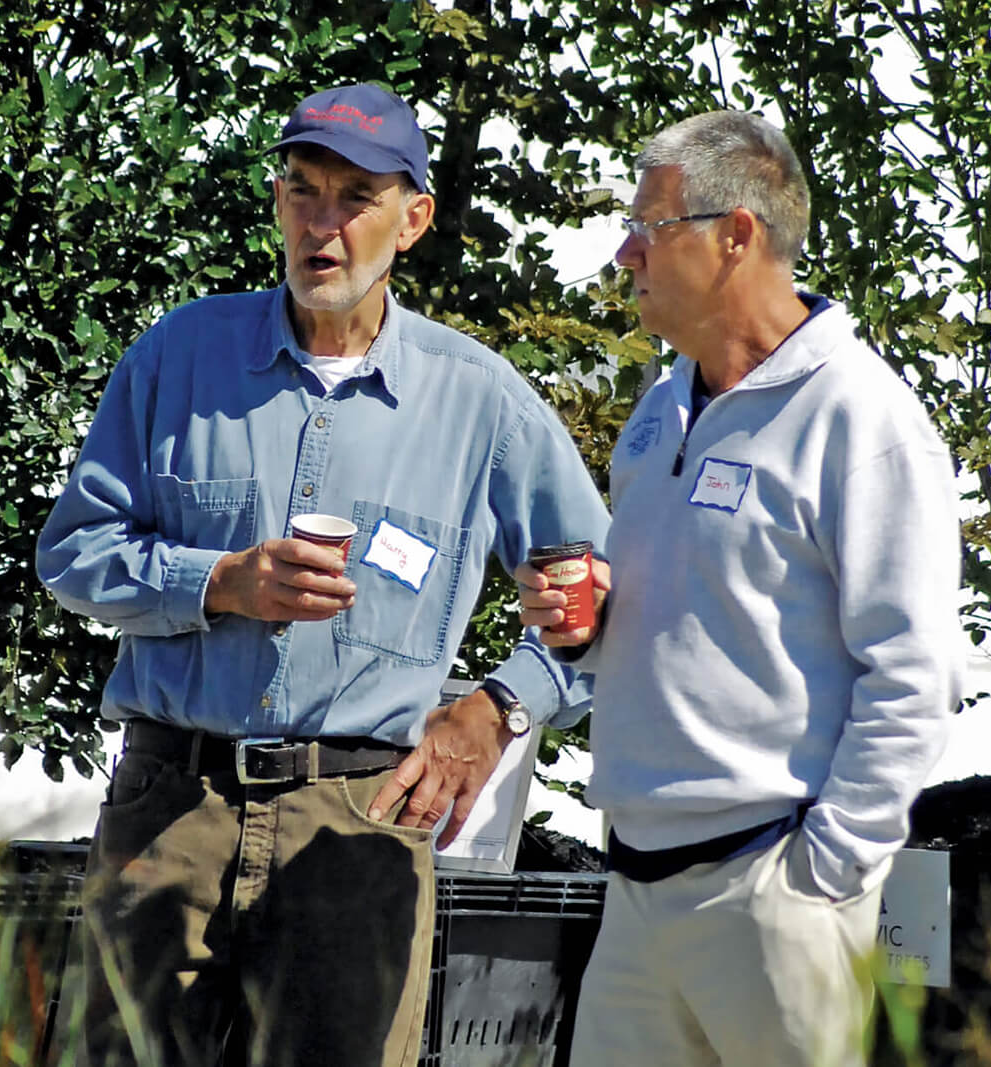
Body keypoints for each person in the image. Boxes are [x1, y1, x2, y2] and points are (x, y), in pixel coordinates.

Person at [35, 83, 609, 1067]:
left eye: (355, 198)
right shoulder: (179, 356)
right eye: (304, 191)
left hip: (358, 823)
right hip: (169, 805)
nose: (324, 225)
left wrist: (497, 711)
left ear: (413, 218)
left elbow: (598, 601)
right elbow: (73, 554)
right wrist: (220, 580)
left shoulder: (481, 403)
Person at [517, 110, 963, 1067]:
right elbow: (674, 621)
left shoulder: (863, 416)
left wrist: (826, 872)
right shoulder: (658, 407)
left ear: (736, 237)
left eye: (649, 226)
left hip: (776, 891)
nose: (624, 253)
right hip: (633, 891)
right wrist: (582, 623)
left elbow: (917, 676)